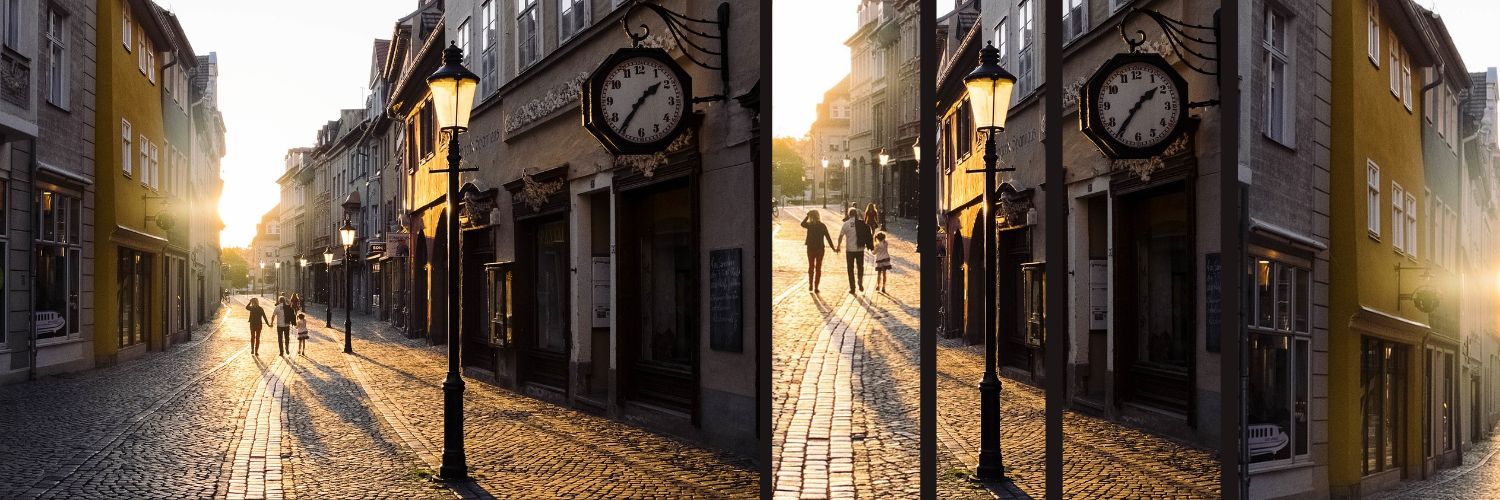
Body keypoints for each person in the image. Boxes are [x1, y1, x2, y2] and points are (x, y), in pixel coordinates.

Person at [836, 207, 871, 294]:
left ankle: (852, 287)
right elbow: (867, 233)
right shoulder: (861, 224)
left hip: (850, 250)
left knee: (850, 269)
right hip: (860, 249)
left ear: (849, 214)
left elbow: (840, 236)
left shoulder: (846, 224)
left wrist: (838, 246)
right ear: (856, 214)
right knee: (860, 267)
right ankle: (860, 280)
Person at [801, 210, 837, 293]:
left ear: (811, 217)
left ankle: (810, 285)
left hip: (810, 249)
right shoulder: (822, 225)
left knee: (811, 267)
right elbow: (828, 237)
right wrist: (833, 248)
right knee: (818, 268)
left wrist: (807, 215)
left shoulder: (809, 225)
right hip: (820, 249)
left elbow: (802, 223)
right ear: (818, 216)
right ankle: (816, 286)